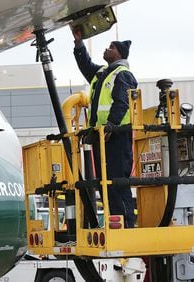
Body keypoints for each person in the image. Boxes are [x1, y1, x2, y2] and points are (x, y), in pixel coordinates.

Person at [72, 27, 137, 228]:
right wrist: (79, 44)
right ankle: (114, 222)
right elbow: (85, 65)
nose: (106, 49)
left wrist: (112, 126)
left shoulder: (123, 74)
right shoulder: (102, 73)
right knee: (105, 182)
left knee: (117, 180)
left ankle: (126, 224)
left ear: (119, 54)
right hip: (102, 136)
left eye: (111, 47)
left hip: (116, 136)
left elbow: (122, 102)